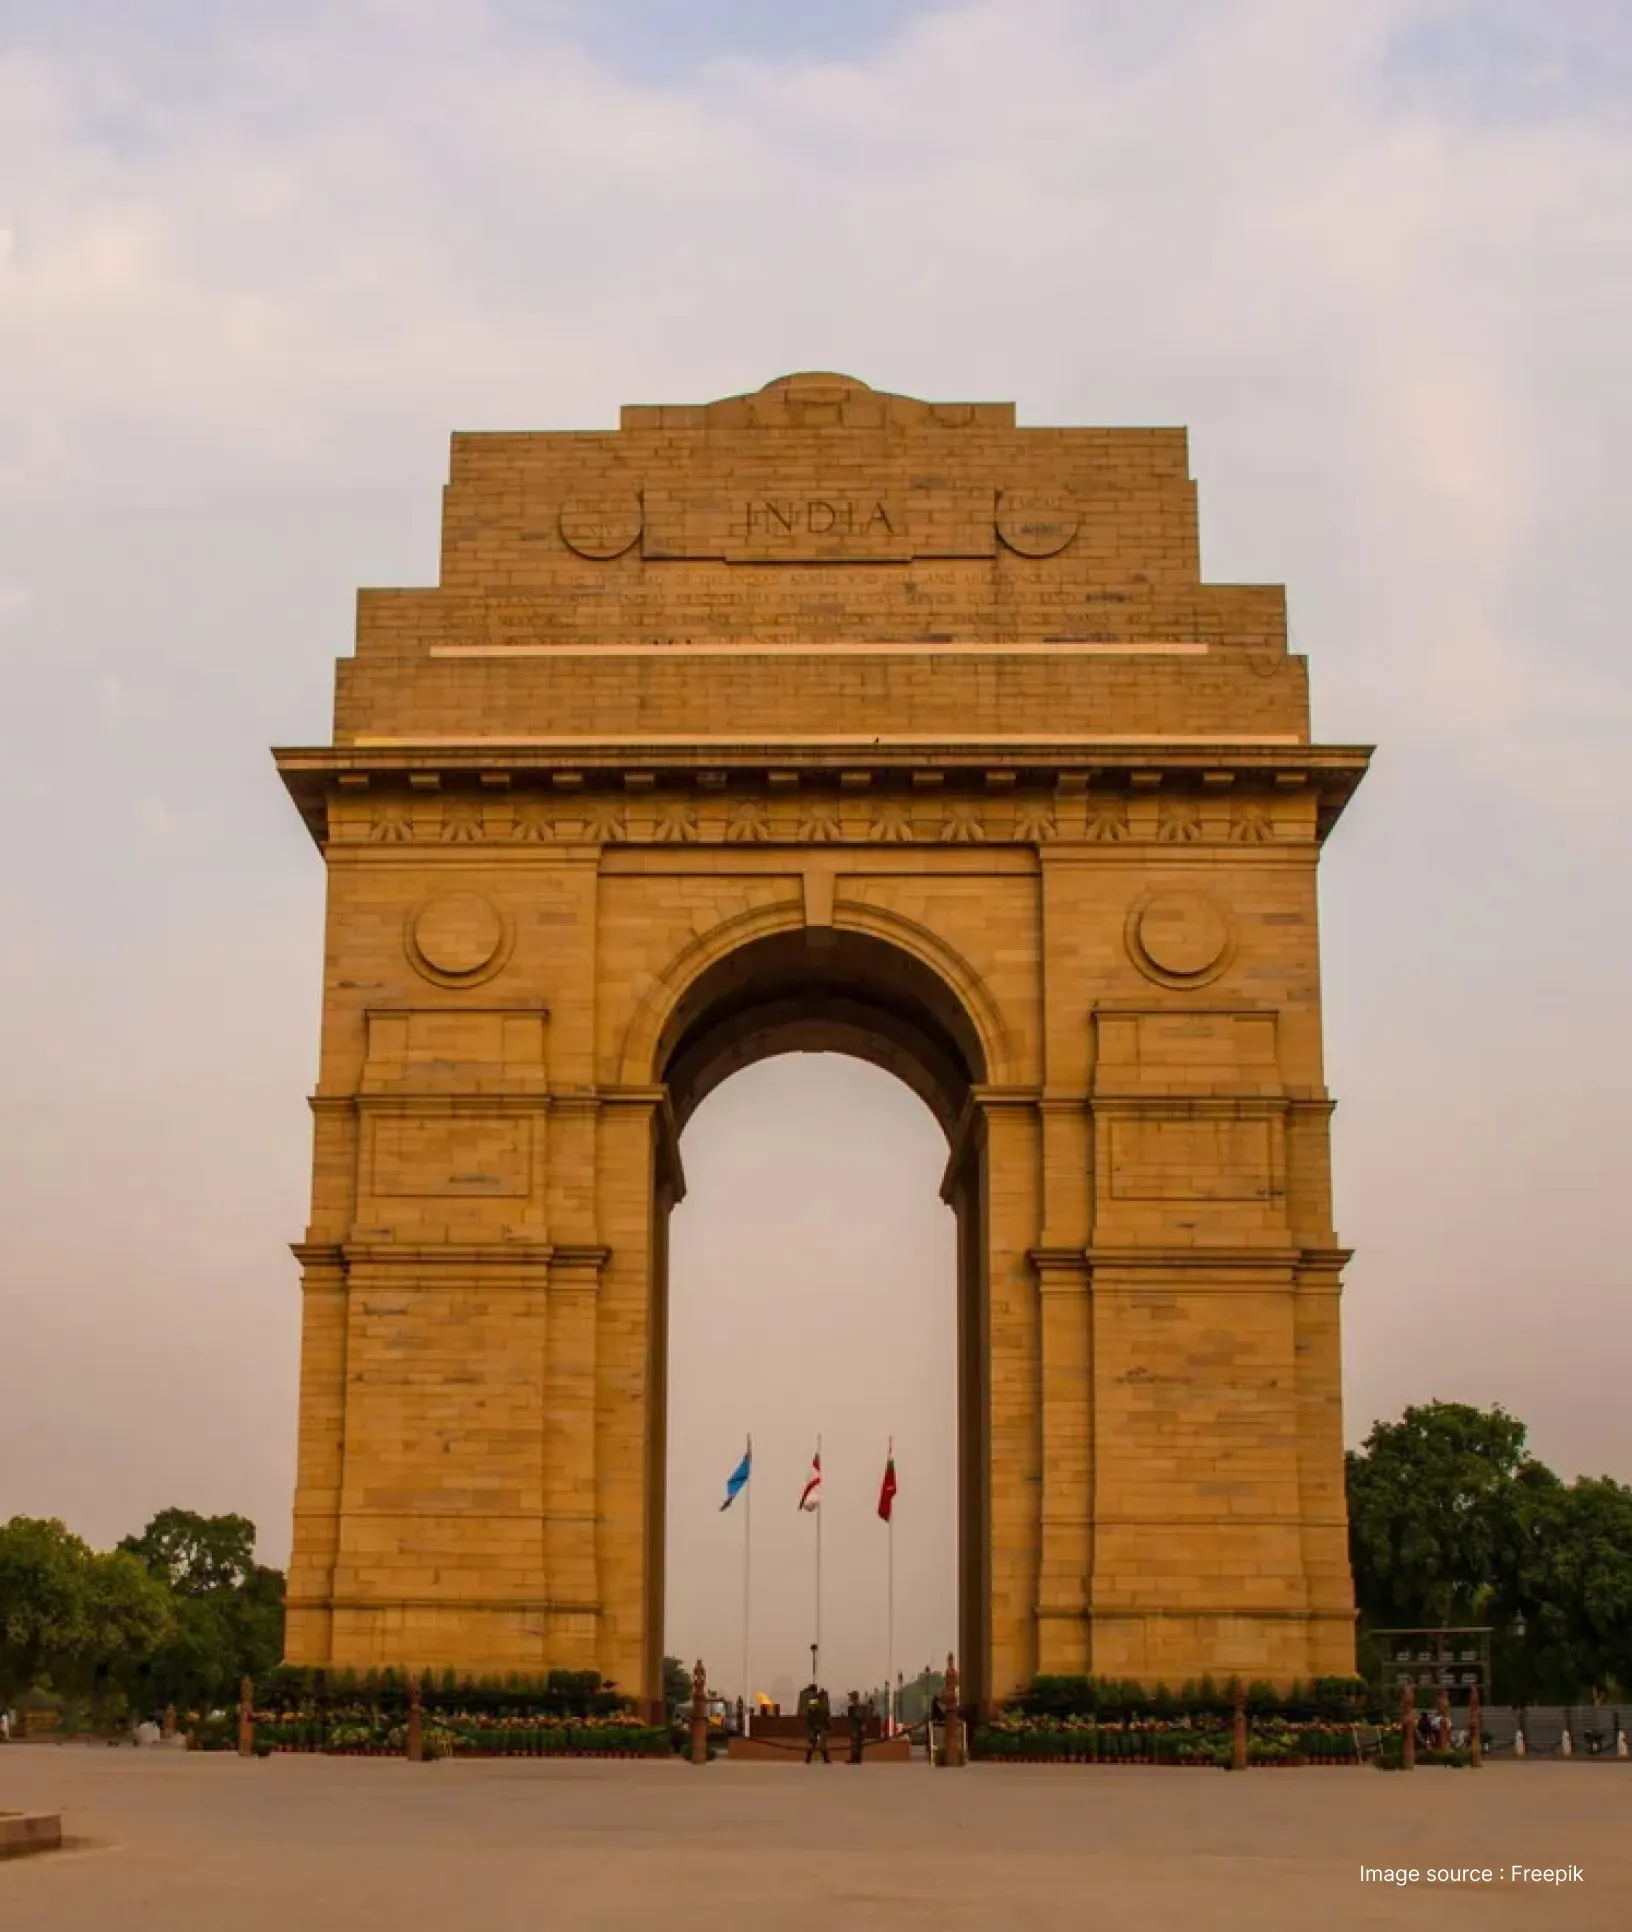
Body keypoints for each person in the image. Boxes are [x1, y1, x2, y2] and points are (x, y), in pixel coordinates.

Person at [800, 1682, 831, 1764]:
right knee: (812, 1742)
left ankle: (825, 1759)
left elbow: (824, 1710)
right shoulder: (813, 1700)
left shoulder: (820, 1700)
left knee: (821, 1743)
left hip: (820, 1723)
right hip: (814, 1723)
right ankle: (809, 1758)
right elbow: (812, 1707)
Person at [847, 1691, 866, 1766]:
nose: (849, 1698)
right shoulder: (857, 1707)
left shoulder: (854, 1707)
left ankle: (855, 1759)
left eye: (851, 1697)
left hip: (856, 1727)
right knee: (857, 1743)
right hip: (856, 1727)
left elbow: (859, 1717)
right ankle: (857, 1759)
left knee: (855, 1743)